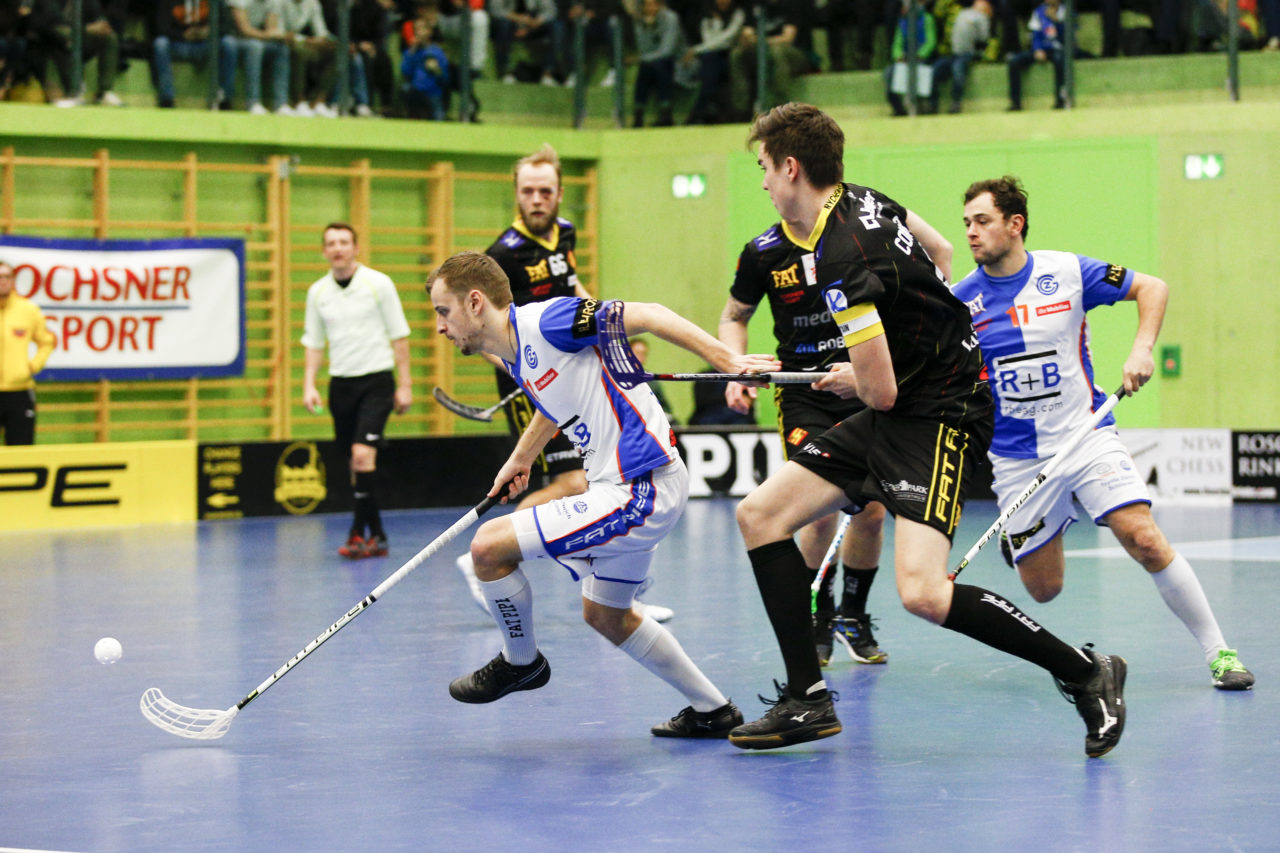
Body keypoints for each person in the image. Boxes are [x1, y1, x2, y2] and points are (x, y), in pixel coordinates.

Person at [727, 103, 1128, 760]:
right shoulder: (865, 201)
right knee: (761, 513)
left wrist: (846, 372)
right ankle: (807, 696)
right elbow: (939, 255)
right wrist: (919, 330)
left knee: (921, 590)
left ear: (792, 168)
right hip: (906, 397)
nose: (765, 184)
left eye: (766, 170)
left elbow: (877, 388)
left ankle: (1088, 671)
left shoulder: (839, 257)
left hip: (939, 411)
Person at [427, 251, 777, 736]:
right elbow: (555, 402)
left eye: (442, 312)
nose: (440, 326)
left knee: (488, 548)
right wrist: (523, 457)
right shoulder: (518, 354)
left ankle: (520, 661)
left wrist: (729, 361)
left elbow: (650, 315)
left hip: (639, 489)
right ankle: (712, 710)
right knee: (607, 616)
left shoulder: (548, 321)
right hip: (625, 488)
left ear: (473, 301)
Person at [952, 176, 1255, 691]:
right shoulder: (960, 303)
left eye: (982, 221)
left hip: (1086, 435)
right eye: (967, 225)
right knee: (1044, 590)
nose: (972, 234)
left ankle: (1220, 653)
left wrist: (1142, 348)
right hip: (1018, 459)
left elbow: (1151, 288)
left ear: (1014, 224)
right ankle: (1033, 533)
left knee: (1143, 538)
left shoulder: (1067, 271)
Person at [454, 144, 675, 623]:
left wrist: (610, 335)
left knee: (593, 479)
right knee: (573, 480)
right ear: (516, 194)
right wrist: (524, 376)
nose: (537, 199)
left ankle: (620, 592)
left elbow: (575, 293)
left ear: (558, 194)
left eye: (546, 191)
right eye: (528, 191)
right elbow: (490, 328)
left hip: (575, 375)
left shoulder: (564, 235)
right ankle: (485, 556)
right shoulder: (502, 255)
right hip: (534, 380)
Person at [719, 188, 919, 668]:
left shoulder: (855, 233)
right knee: (820, 509)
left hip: (862, 383)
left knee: (870, 511)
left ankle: (853, 614)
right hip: (804, 391)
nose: (768, 187)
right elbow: (733, 315)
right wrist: (734, 365)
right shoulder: (762, 252)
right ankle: (818, 611)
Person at [301, 223, 412, 559]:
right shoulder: (317, 292)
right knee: (356, 463)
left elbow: (399, 335)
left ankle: (355, 534)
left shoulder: (379, 284)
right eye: (331, 243)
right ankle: (376, 534)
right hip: (341, 384)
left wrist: (405, 384)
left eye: (344, 242)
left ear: (356, 247)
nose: (338, 248)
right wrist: (309, 384)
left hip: (377, 380)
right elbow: (314, 342)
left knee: (364, 455)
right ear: (324, 251)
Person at [0, 261, 56, 446]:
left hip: (19, 392)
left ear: (13, 280)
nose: (3, 281)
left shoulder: (28, 310)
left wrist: (33, 365)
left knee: (21, 451)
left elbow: (47, 342)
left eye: (6, 276)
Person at [727, 0, 810, 121]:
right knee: (737, 54)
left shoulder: (792, 4)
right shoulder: (757, 6)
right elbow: (747, 32)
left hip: (795, 53)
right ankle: (741, 109)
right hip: (762, 51)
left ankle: (780, 107)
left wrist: (759, 41)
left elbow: (787, 38)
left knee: (776, 52)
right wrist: (746, 37)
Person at [223, 0, 292, 114]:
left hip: (258, 39)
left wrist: (275, 34)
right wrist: (268, 35)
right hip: (234, 39)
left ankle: (280, 104)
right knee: (255, 47)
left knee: (281, 49)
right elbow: (244, 30)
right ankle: (253, 103)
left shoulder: (273, 2)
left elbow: (271, 28)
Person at [684, 0, 743, 125]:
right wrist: (716, 23)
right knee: (710, 63)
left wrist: (695, 50)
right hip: (711, 55)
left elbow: (728, 39)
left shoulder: (738, 14)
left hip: (730, 54)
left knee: (712, 66)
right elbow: (708, 41)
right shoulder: (707, 18)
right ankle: (707, 112)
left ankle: (698, 113)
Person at [928, 0, 991, 114]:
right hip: (954, 54)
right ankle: (933, 105)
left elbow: (983, 38)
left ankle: (956, 104)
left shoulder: (982, 18)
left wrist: (978, 53)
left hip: (968, 54)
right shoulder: (963, 13)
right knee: (935, 70)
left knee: (958, 71)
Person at [152, 0, 216, 109]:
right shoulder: (168, 3)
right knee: (160, 43)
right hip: (177, 45)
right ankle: (167, 98)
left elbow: (222, 26)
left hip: (202, 46)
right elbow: (161, 28)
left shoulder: (211, 3)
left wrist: (208, 32)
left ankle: (219, 99)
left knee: (225, 44)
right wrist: (183, 35)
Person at [282, 0, 339, 117]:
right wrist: (305, 41)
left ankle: (318, 103)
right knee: (300, 52)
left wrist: (325, 41)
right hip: (278, 41)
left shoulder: (312, 3)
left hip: (301, 42)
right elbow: (280, 32)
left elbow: (321, 33)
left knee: (336, 52)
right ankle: (299, 102)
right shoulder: (280, 2)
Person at [630, 0, 682, 127]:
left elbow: (667, 50)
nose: (650, 8)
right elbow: (643, 49)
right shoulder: (640, 22)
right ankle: (638, 115)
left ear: (660, 5)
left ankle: (666, 113)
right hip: (651, 61)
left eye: (653, 4)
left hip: (676, 59)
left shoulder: (671, 18)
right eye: (647, 5)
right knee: (647, 68)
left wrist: (643, 59)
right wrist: (648, 28)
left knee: (660, 66)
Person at [1006, 0, 1066, 111]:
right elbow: (1035, 34)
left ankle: (1061, 100)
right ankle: (1015, 103)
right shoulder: (1039, 11)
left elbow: (1067, 38)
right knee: (1014, 61)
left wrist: (1057, 22)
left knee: (1060, 60)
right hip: (1041, 49)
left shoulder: (1065, 11)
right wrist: (1037, 49)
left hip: (1058, 49)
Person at [883, 0, 936, 117]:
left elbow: (931, 41)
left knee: (930, 73)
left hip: (922, 59)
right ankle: (898, 109)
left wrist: (920, 55)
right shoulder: (902, 22)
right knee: (889, 74)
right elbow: (897, 44)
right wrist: (899, 56)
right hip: (905, 60)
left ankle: (929, 106)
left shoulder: (927, 19)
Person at [400, 5, 449, 120]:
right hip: (415, 92)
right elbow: (405, 72)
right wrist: (412, 52)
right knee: (406, 89)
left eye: (422, 29)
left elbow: (445, 78)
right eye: (416, 29)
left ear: (429, 31)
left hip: (432, 93)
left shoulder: (437, 51)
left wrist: (436, 69)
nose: (419, 32)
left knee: (438, 117)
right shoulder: (411, 51)